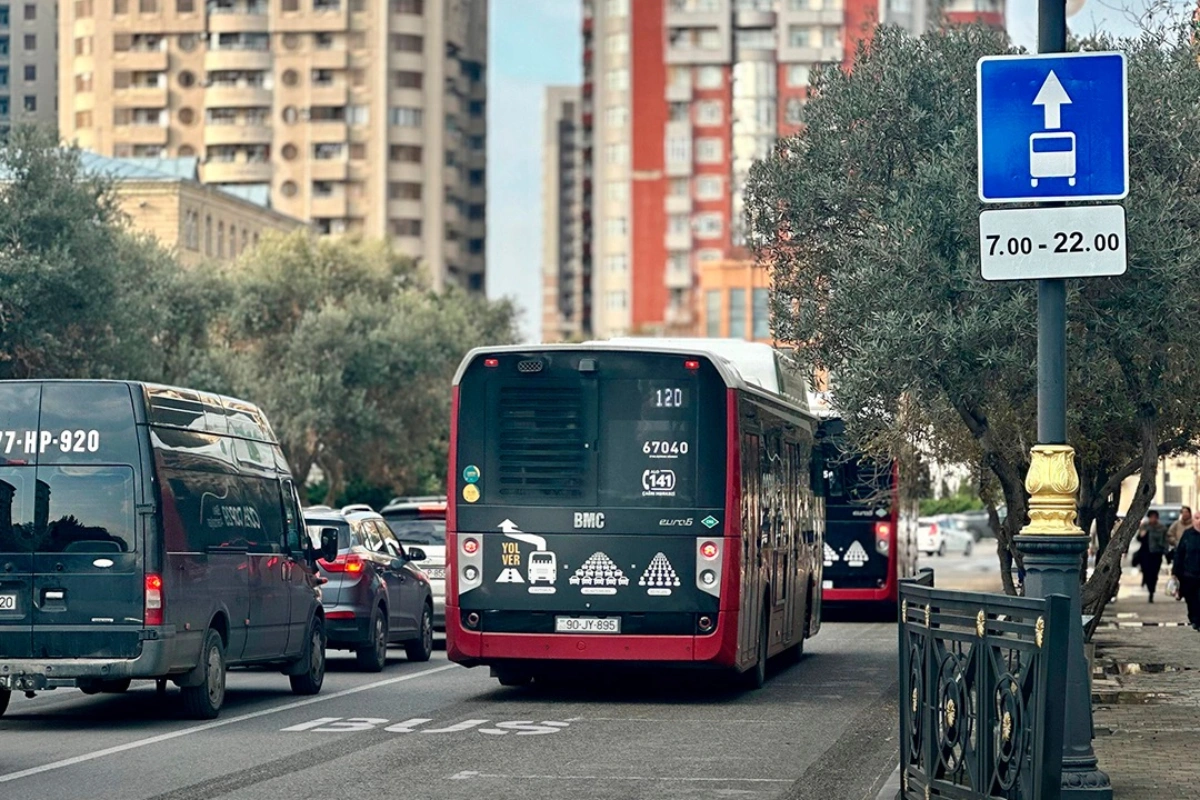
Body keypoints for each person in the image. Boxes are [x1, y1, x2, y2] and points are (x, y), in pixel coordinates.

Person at [1172, 515, 1200, 630]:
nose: (1199, 521)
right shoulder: (1188, 534)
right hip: (1188, 574)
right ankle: (1194, 618)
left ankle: (1198, 621)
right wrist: (1175, 572)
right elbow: (1180, 554)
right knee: (1191, 599)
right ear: (1193, 521)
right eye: (1197, 518)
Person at [1137, 510, 1170, 602]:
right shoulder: (1145, 526)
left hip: (1156, 553)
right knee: (1146, 571)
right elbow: (1139, 539)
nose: (1153, 519)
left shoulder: (1162, 528)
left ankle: (1151, 591)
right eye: (1151, 517)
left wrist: (1165, 552)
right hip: (1145, 553)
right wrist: (1142, 534)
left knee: (1154, 573)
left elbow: (1165, 541)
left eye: (1155, 517)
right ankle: (1147, 583)